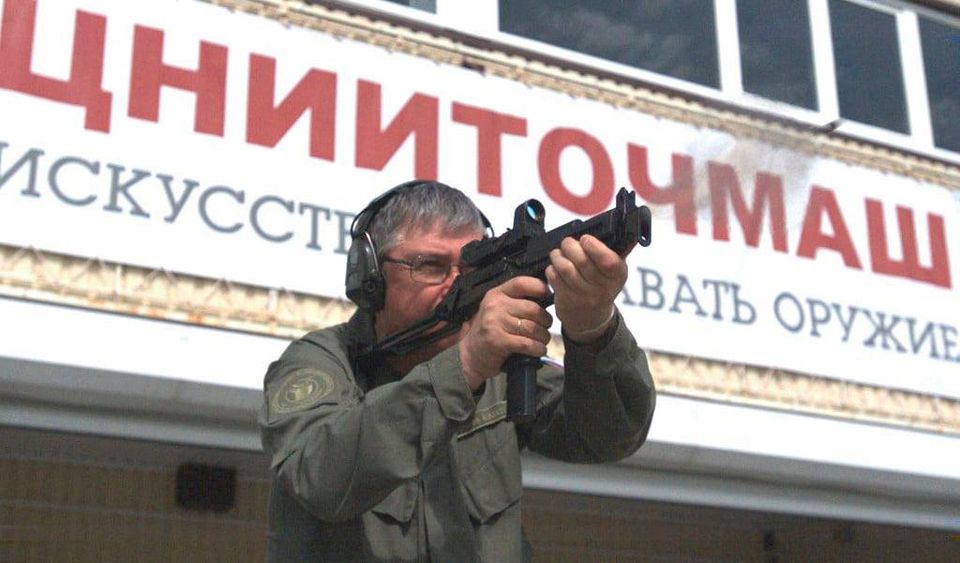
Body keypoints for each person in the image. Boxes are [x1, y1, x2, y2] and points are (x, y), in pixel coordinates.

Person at [259, 180, 656, 562]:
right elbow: (320, 477)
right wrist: (465, 365)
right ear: (371, 278)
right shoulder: (322, 361)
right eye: (430, 266)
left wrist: (592, 327)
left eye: (468, 269)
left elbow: (612, 435)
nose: (455, 285)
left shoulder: (498, 367)